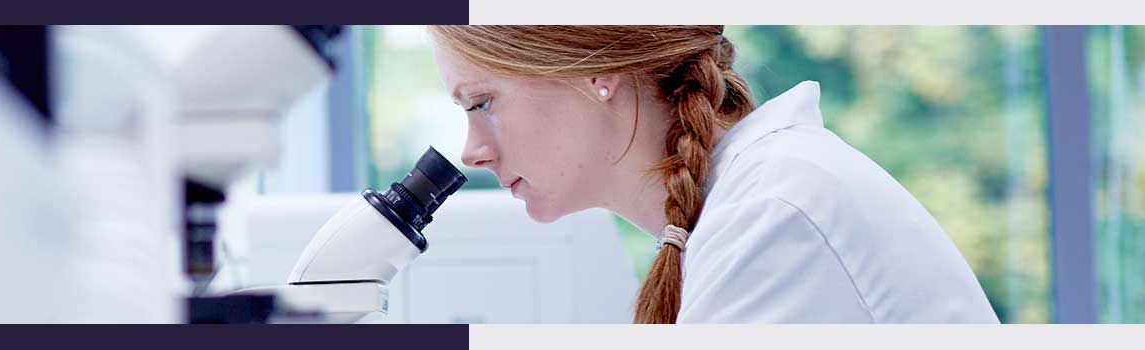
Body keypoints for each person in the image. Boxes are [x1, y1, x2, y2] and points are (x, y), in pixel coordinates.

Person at [428, 25, 999, 324]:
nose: (472, 151)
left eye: (481, 103)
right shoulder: (738, 211)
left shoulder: (775, 218)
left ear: (595, 72)